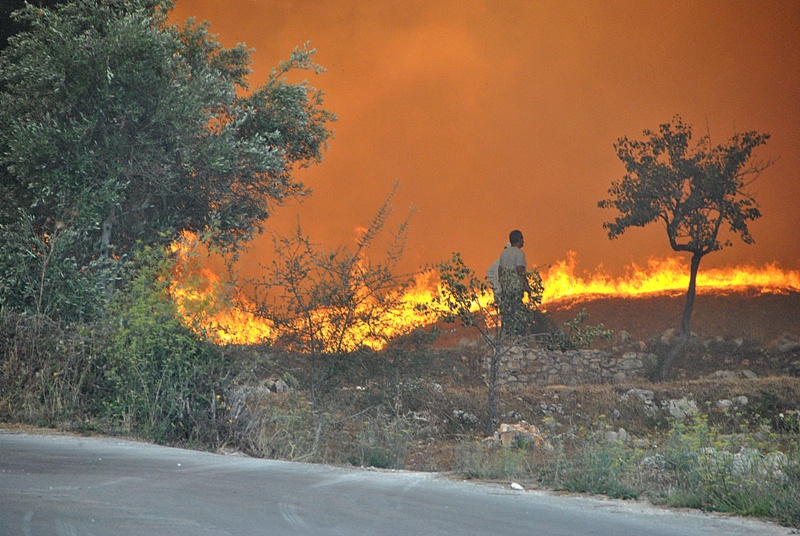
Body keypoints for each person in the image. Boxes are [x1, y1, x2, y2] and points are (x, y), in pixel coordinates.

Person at [498, 230, 530, 333]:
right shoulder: (519, 253)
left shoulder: (503, 253)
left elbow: (500, 271)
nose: (523, 241)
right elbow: (520, 271)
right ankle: (518, 335)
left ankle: (507, 334)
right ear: (519, 239)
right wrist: (527, 287)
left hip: (506, 287)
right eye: (522, 238)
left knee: (508, 312)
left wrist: (502, 285)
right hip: (515, 288)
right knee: (517, 311)